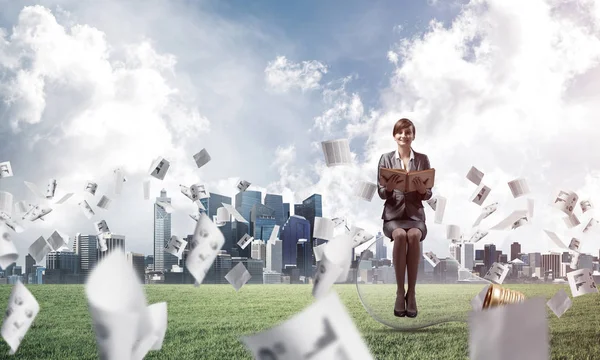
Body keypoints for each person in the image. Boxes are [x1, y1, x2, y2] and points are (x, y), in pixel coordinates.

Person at [377, 118, 433, 318]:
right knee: (400, 235)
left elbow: (428, 194)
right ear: (394, 136)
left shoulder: (422, 159)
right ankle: (400, 293)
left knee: (413, 236)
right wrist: (389, 188)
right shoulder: (385, 159)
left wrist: (422, 190)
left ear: (413, 136)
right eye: (400, 132)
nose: (404, 136)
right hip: (393, 216)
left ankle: (413, 294)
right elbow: (381, 193)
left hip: (415, 215)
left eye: (408, 132)